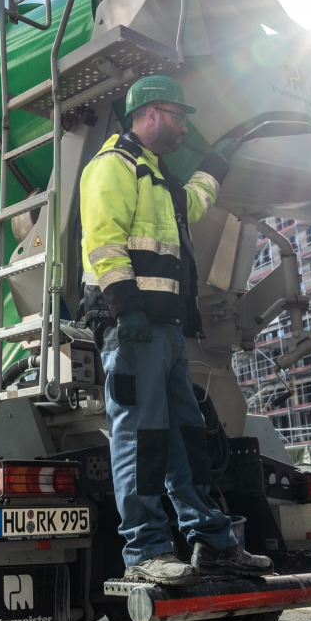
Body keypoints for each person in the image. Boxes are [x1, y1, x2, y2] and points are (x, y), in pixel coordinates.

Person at [78, 75, 274, 586]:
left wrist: (218, 162)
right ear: (148, 115)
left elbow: (192, 207)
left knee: (188, 440)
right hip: (133, 329)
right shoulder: (112, 167)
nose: (185, 126)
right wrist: (126, 308)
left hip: (164, 332)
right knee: (142, 440)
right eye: (177, 115)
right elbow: (103, 243)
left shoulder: (157, 178)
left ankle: (212, 544)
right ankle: (145, 551)